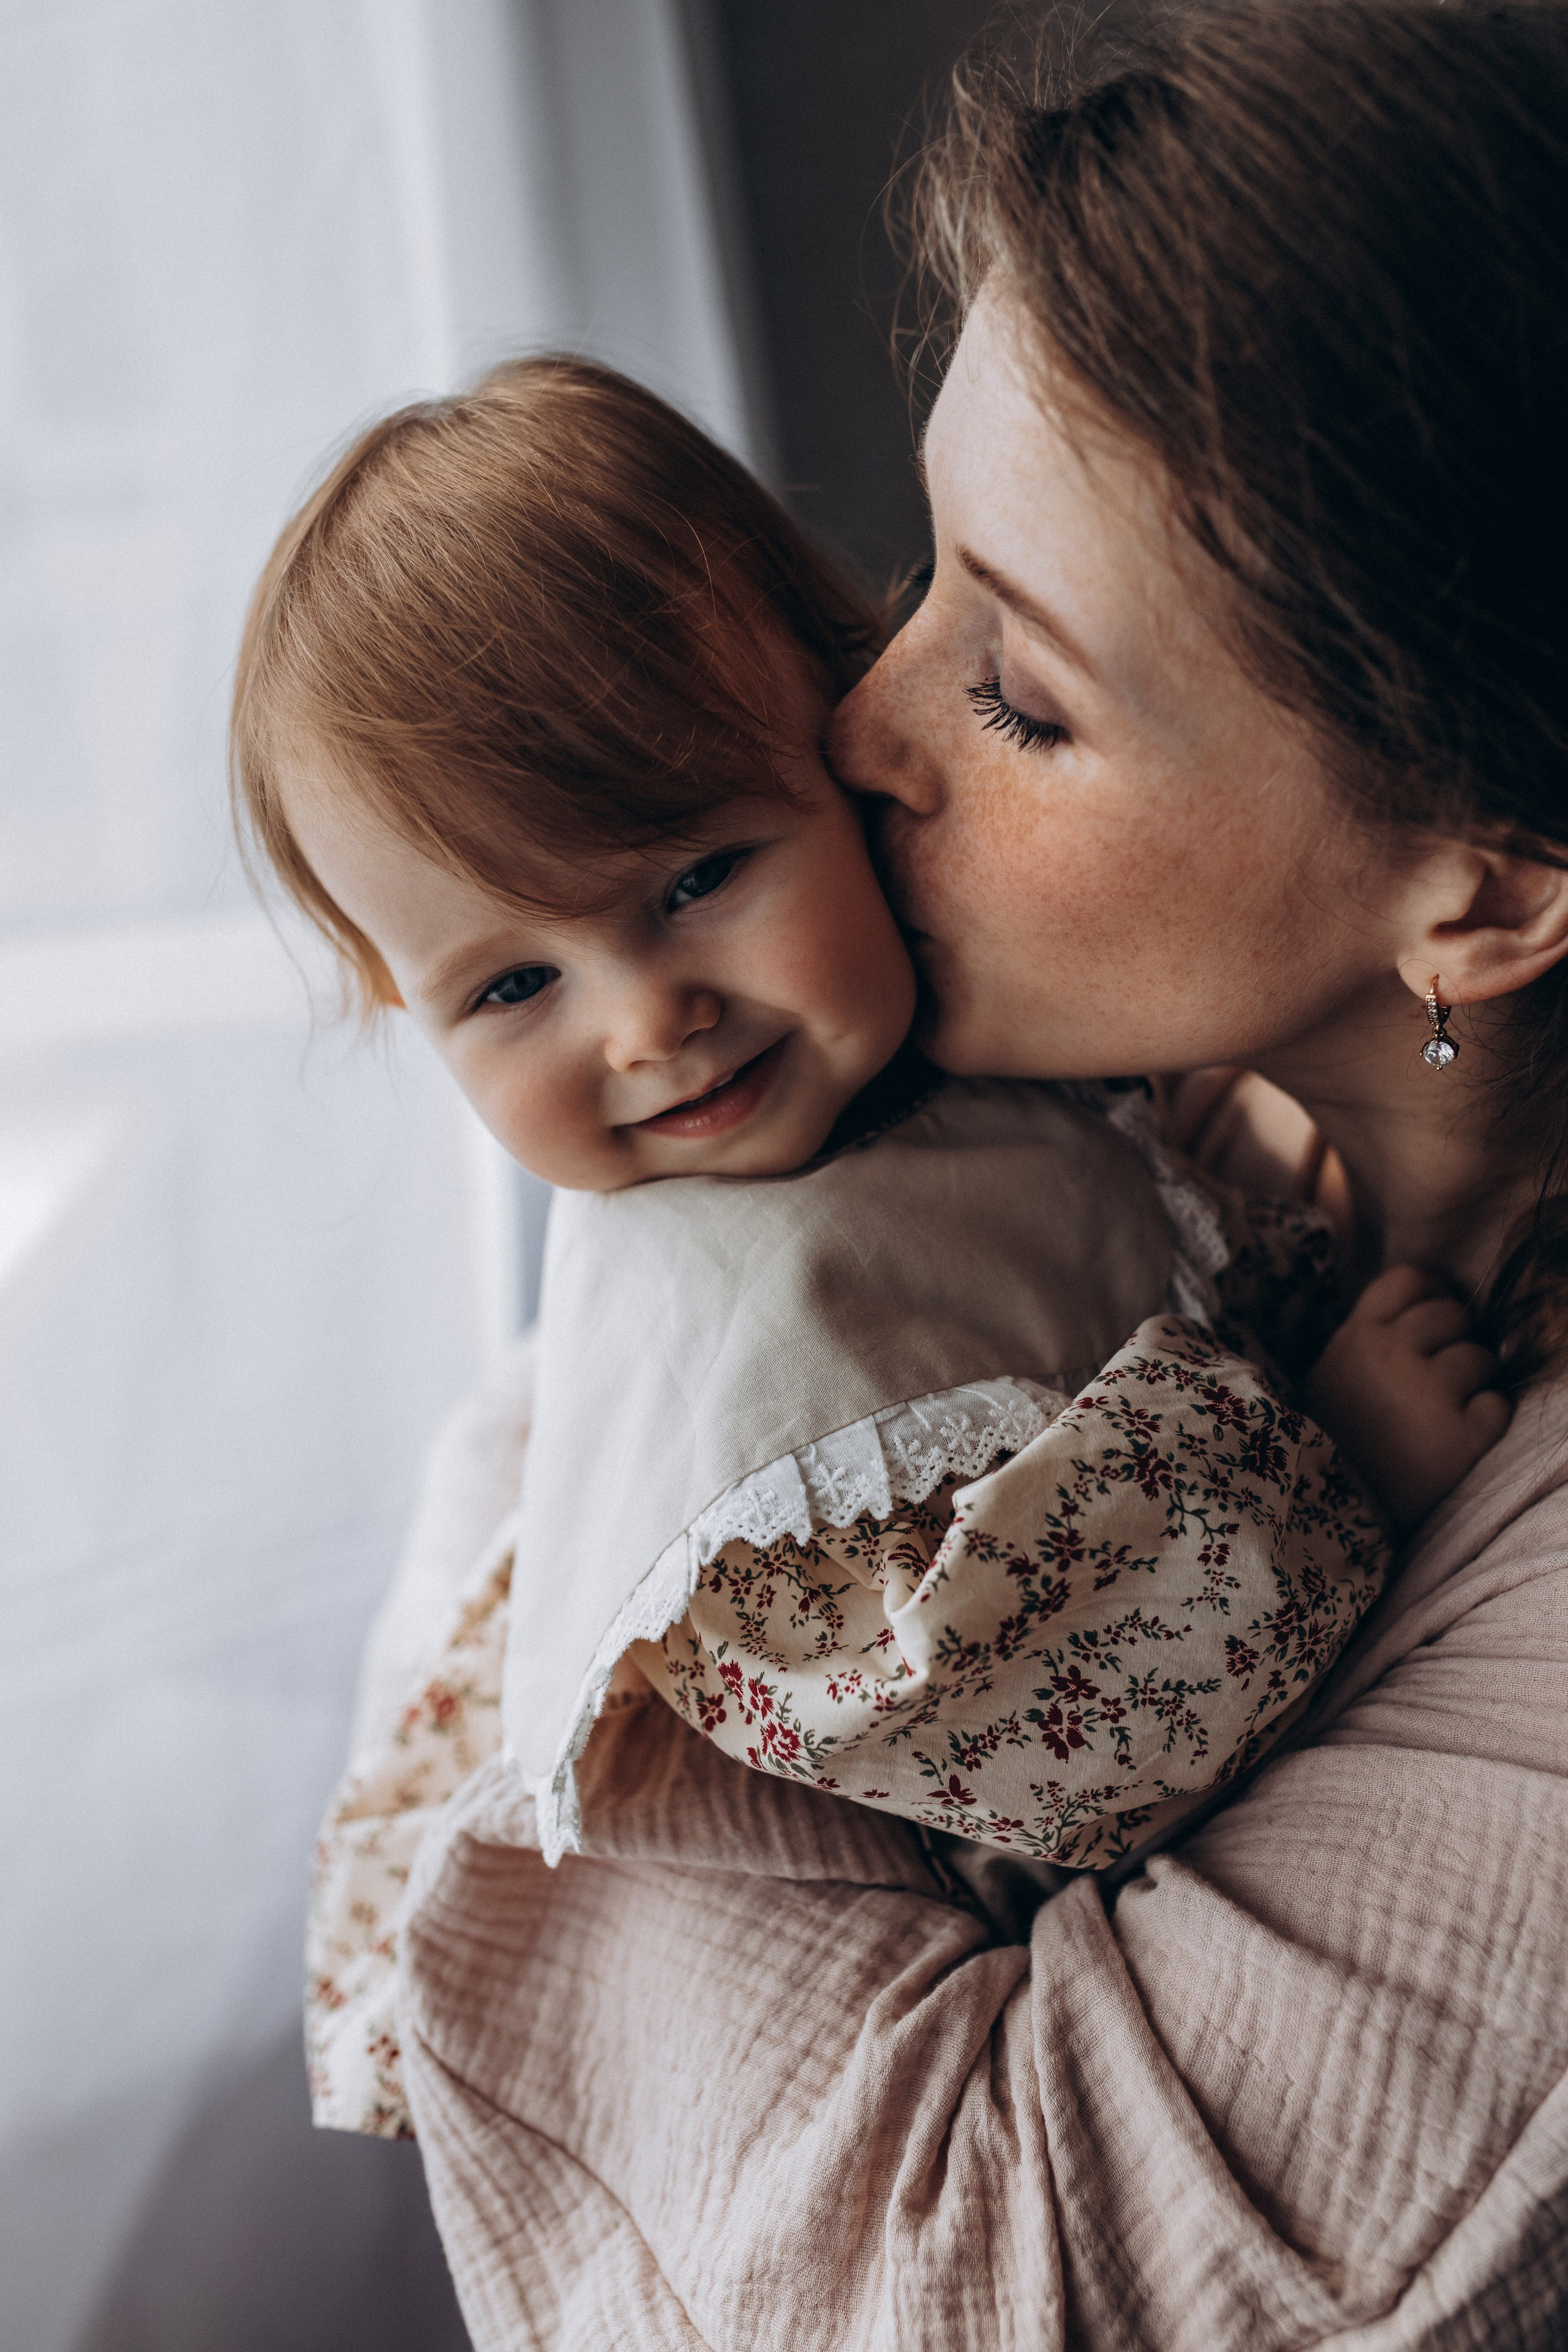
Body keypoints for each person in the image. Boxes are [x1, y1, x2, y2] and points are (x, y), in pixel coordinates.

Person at [378, 4, 1568, 2345]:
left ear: (1491, 897)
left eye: (1018, 694)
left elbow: (915, 2277)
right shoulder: (1131, 1137)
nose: (848, 729)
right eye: (916, 572)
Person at [230, 357, 1483, 2139]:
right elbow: (1022, 1711)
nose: (648, 1024)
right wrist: (1333, 1460)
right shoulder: (741, 1348)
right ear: (401, 1006)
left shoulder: (960, 1056)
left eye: (695, 879)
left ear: (842, 741)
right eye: (512, 986)